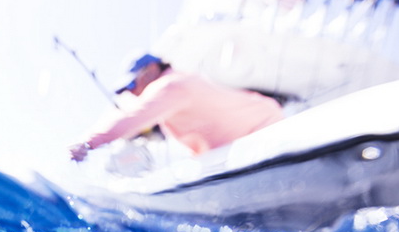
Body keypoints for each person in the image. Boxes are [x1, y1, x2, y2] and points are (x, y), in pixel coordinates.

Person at [69, 53, 284, 162]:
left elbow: (133, 116)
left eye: (133, 84)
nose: (132, 92)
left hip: (261, 132)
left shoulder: (169, 85)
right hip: (256, 132)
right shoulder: (174, 88)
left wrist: (88, 143)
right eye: (127, 89)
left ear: (152, 69)